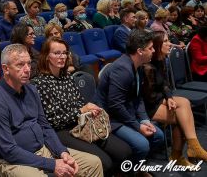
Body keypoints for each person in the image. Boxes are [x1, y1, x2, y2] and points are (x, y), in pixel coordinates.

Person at [0, 44, 103, 177]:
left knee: (93, 163)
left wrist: (62, 152)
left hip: (43, 149)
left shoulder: (31, 90)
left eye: (28, 63)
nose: (27, 69)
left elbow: (45, 126)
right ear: (5, 69)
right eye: (20, 65)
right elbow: (8, 151)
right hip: (11, 161)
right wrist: (52, 164)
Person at [32, 37, 131, 175]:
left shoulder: (66, 77)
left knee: (124, 151)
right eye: (57, 53)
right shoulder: (39, 83)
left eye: (65, 53)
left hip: (81, 123)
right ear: (47, 56)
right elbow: (52, 121)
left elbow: (79, 102)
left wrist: (89, 109)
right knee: (105, 162)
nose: (62, 57)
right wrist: (80, 111)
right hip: (61, 131)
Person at [95, 30, 164, 163]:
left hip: (126, 112)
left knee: (158, 136)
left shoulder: (138, 66)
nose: (154, 50)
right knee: (142, 145)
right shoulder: (122, 69)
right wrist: (137, 127)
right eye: (150, 48)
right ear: (140, 51)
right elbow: (115, 106)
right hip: (110, 119)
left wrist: (144, 120)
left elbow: (138, 97)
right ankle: (128, 170)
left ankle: (138, 166)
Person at [142, 31, 207, 164]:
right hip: (148, 106)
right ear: (158, 45)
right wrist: (166, 100)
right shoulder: (147, 67)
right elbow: (149, 97)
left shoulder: (161, 60)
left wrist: (169, 97)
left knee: (184, 103)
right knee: (182, 118)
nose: (170, 44)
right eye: (165, 41)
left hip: (159, 100)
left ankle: (191, 147)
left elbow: (165, 84)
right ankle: (181, 154)